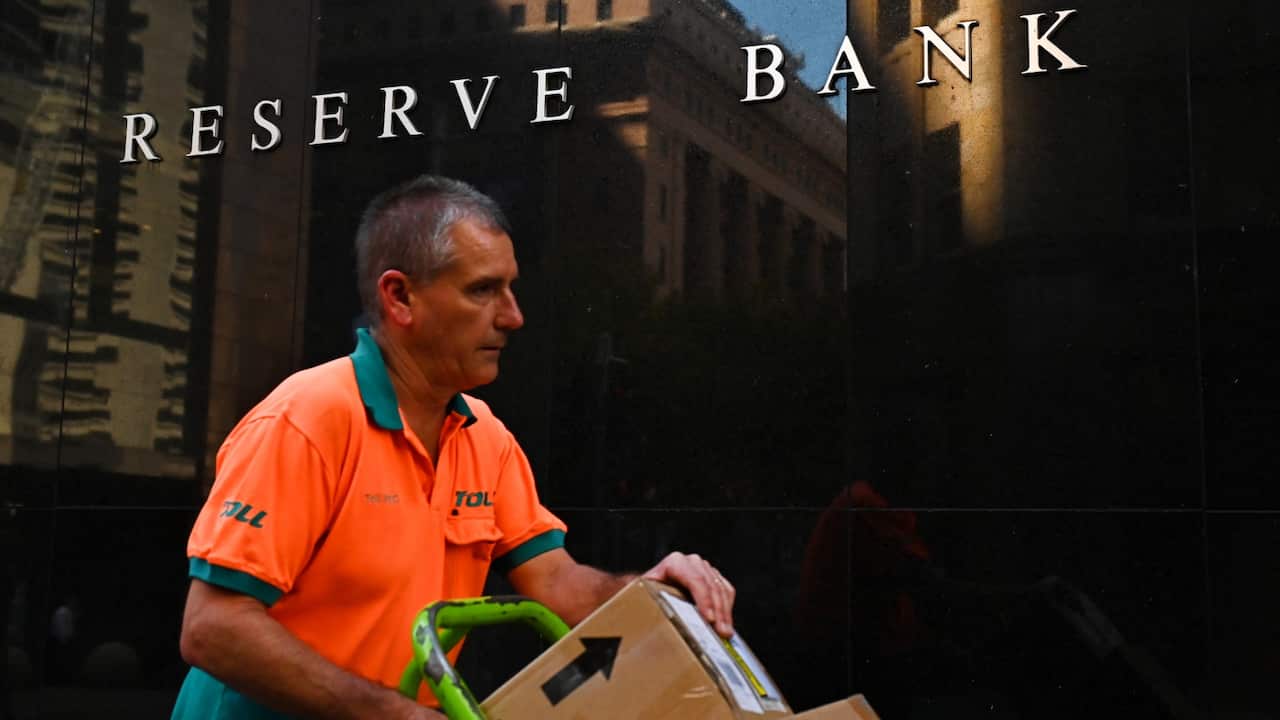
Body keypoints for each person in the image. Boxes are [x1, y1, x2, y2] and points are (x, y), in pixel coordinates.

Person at [171, 176, 736, 720]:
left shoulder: (485, 437)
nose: (514, 317)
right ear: (400, 297)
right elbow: (212, 628)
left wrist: (652, 590)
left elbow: (556, 583)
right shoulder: (306, 419)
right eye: (484, 290)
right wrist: (395, 714)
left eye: (511, 288)